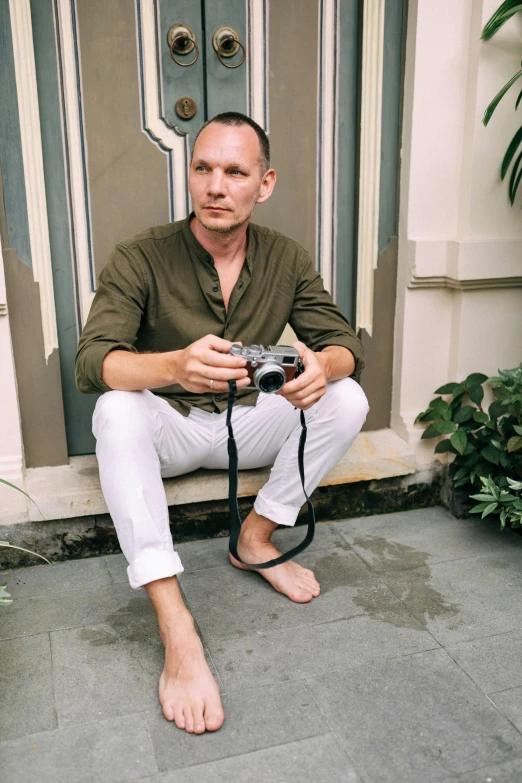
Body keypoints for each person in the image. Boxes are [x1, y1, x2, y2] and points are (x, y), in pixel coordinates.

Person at [75, 111, 369, 736]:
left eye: (234, 172)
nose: (215, 186)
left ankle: (255, 537)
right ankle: (175, 625)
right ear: (190, 175)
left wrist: (323, 365)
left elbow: (344, 342)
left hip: (249, 423)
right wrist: (174, 365)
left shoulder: (286, 257)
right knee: (114, 408)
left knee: (347, 399)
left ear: (263, 184)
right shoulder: (140, 255)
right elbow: (93, 360)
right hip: (172, 428)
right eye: (203, 168)